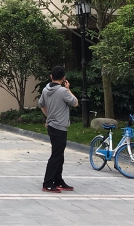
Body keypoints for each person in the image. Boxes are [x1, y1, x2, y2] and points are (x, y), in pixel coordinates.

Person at [38, 65, 78, 193]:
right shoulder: (63, 91)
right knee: (56, 155)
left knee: (59, 155)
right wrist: (68, 89)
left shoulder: (45, 90)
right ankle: (48, 183)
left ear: (51, 76)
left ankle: (58, 180)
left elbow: (41, 104)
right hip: (60, 127)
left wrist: (48, 117)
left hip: (52, 126)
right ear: (63, 78)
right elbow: (75, 102)